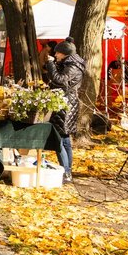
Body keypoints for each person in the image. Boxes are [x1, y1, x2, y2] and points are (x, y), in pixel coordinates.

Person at [46, 37, 85, 184]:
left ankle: (66, 172)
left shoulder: (73, 66)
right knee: (65, 139)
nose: (55, 55)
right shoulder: (70, 63)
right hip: (67, 104)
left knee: (60, 140)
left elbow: (59, 80)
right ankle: (67, 171)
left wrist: (50, 64)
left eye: (57, 53)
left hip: (65, 105)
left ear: (64, 53)